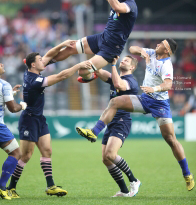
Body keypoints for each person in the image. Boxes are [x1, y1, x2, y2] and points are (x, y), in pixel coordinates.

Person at [76, 39, 195, 192]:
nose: (158, 44)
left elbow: (168, 85)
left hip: (160, 104)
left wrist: (155, 88)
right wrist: (141, 51)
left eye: (162, 44)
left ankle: (187, 174)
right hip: (145, 99)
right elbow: (132, 48)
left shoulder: (167, 64)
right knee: (115, 102)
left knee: (171, 139)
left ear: (167, 51)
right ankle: (94, 132)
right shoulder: (152, 53)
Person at [7, 40, 91, 198]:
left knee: (47, 151)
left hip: (39, 118)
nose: (43, 60)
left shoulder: (32, 71)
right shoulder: (34, 82)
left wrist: (63, 44)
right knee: (26, 155)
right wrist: (78, 66)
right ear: (33, 65)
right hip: (29, 120)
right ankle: (11, 187)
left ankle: (51, 186)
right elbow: (62, 76)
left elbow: (50, 54)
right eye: (39, 60)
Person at [45, 0, 138, 83]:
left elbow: (117, 7)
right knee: (70, 47)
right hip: (102, 38)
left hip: (111, 48)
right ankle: (45, 63)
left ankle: (90, 76)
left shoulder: (131, 5)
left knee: (83, 71)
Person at [92, 55, 141, 197]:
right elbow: (98, 71)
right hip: (111, 121)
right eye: (123, 59)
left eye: (127, 61)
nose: (123, 61)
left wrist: (113, 65)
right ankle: (124, 191)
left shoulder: (131, 81)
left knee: (111, 154)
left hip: (122, 121)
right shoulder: (115, 78)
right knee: (105, 159)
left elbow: (119, 85)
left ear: (132, 67)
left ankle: (134, 180)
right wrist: (95, 61)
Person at [0, 59, 27, 200]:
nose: (2, 64)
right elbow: (13, 108)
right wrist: (23, 105)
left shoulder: (5, 86)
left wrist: (11, 94)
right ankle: (2, 186)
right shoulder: (3, 84)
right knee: (16, 153)